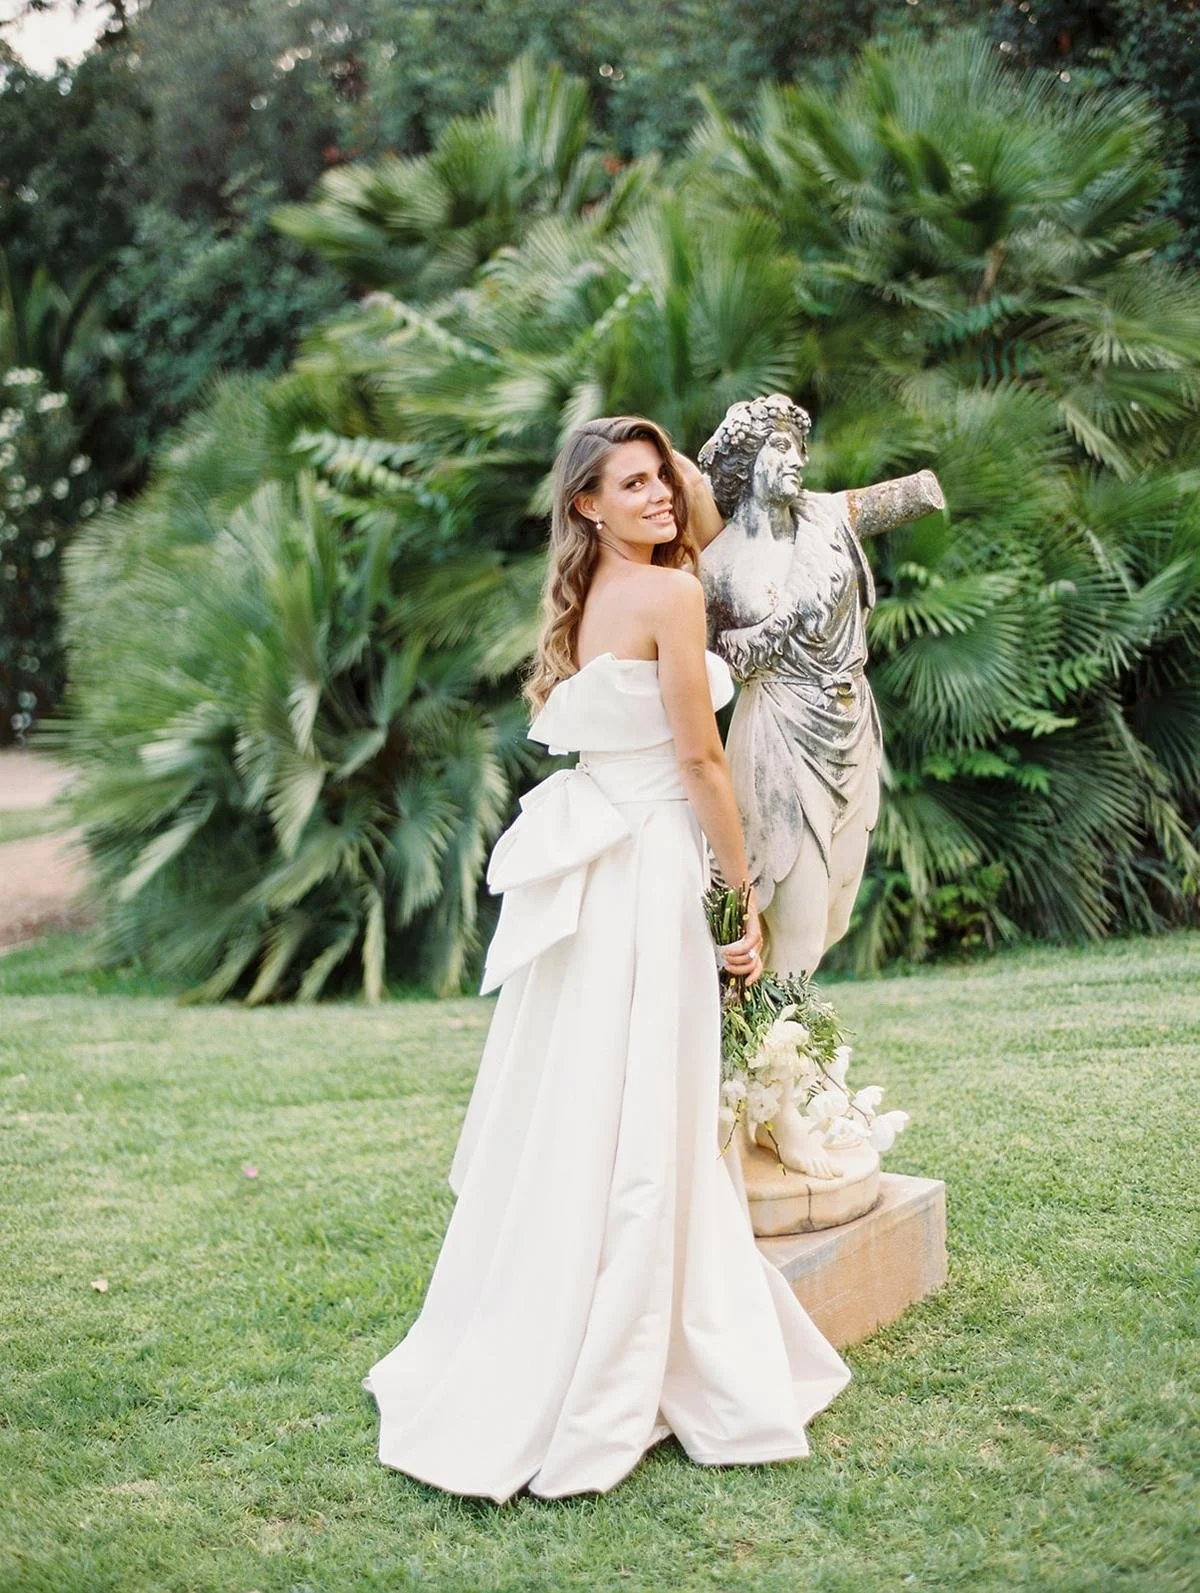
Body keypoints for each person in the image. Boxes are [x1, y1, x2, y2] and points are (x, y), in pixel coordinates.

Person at [363, 415, 852, 1503]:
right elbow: (698, 760)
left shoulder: (586, 595)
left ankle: (556, 1313)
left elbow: (687, 524)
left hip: (595, 864)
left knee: (585, 1094)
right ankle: (634, 1344)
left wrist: (672, 479)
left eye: (661, 480)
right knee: (648, 1107)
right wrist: (742, 896)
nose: (661, 498)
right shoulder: (673, 598)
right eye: (629, 485)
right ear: (585, 503)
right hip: (647, 870)